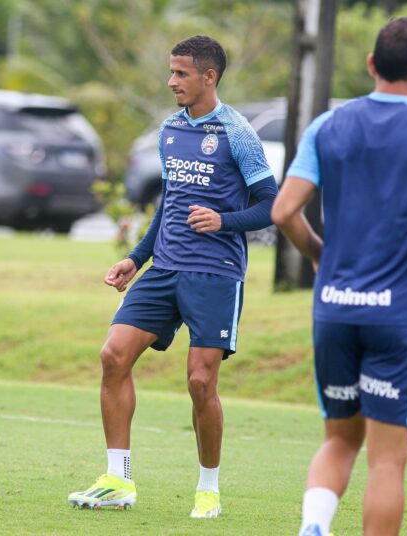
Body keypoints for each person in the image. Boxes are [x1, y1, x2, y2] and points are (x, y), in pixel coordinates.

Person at [271, 17, 407, 536]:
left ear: (371, 65)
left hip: (334, 309)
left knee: (339, 439)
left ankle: (314, 528)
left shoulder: (326, 127)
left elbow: (284, 212)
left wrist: (319, 256)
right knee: (387, 461)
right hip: (397, 316)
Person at [67, 35, 278, 518]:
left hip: (215, 273)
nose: (171, 81)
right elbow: (170, 204)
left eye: (181, 73)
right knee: (113, 356)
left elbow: (273, 204)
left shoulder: (237, 133)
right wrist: (135, 259)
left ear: (209, 76)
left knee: (201, 382)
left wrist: (225, 221)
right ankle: (117, 481)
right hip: (163, 268)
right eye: (171, 71)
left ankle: (208, 488)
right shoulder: (169, 130)